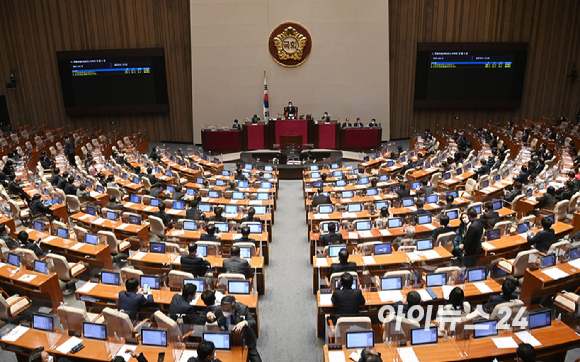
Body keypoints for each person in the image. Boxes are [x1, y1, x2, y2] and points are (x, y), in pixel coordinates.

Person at [206, 296, 261, 362]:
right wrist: (208, 315)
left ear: (234, 307)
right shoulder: (218, 309)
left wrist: (244, 322)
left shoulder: (243, 309)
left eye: (228, 310)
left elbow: (253, 322)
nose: (225, 312)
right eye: (223, 310)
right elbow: (211, 318)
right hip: (227, 339)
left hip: (245, 339)